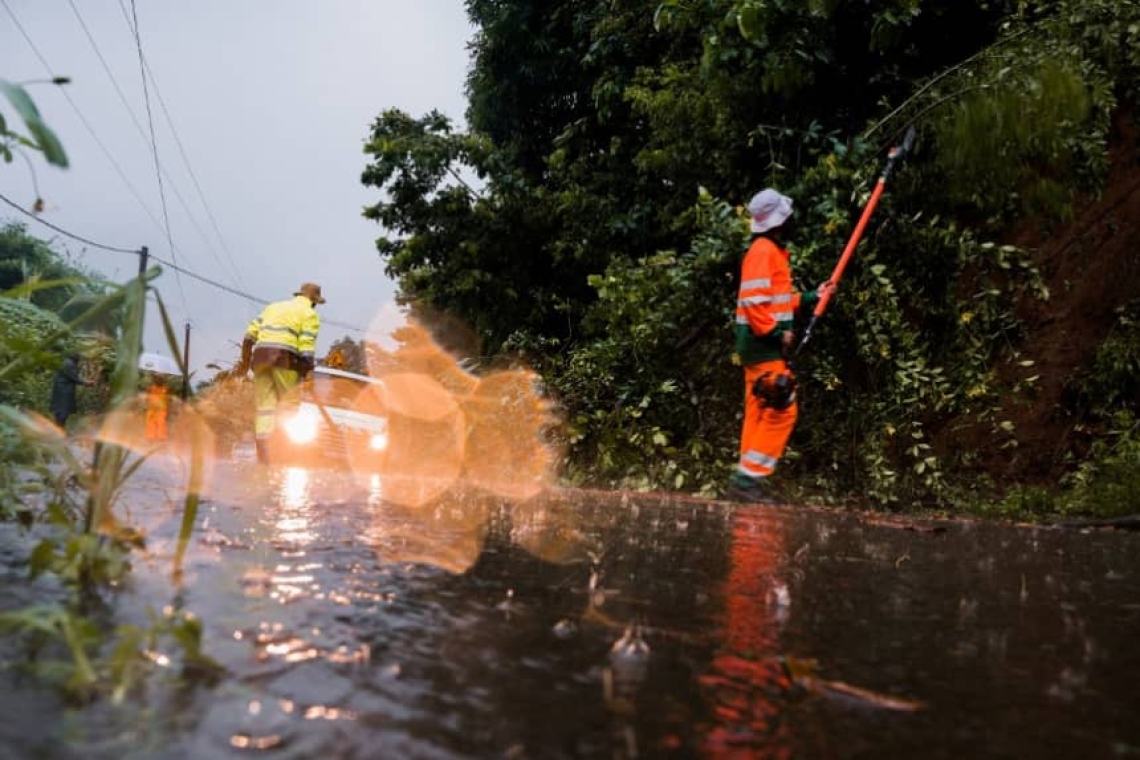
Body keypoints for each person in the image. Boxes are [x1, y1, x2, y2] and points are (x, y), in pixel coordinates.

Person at [726, 188, 832, 503]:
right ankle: (748, 480)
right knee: (782, 407)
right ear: (778, 221)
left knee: (760, 412)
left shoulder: (769, 251)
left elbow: (779, 302)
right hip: (763, 347)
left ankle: (745, 482)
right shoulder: (762, 251)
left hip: (758, 348)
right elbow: (754, 305)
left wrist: (814, 296)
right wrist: (777, 335)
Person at [236, 282, 325, 464]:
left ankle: (264, 454)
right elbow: (306, 347)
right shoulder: (310, 314)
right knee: (289, 404)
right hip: (286, 361)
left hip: (260, 360)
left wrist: (244, 364)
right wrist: (308, 374)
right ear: (314, 302)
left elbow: (248, 337)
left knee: (264, 409)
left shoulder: (272, 308)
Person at [50, 352, 92, 430]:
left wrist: (84, 381)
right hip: (64, 391)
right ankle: (60, 431)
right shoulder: (69, 364)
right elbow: (74, 377)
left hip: (61, 389)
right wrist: (86, 382)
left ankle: (59, 430)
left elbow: (73, 375)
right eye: (79, 358)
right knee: (63, 411)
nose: (80, 360)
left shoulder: (66, 362)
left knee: (60, 411)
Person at [144, 373, 170, 442]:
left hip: (162, 410)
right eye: (157, 378)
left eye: (161, 379)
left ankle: (162, 439)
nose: (159, 380)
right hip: (152, 409)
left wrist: (169, 409)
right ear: (155, 379)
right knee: (150, 423)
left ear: (163, 380)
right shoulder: (150, 388)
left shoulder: (166, 389)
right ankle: (150, 438)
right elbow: (147, 398)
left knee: (161, 424)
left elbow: (168, 399)